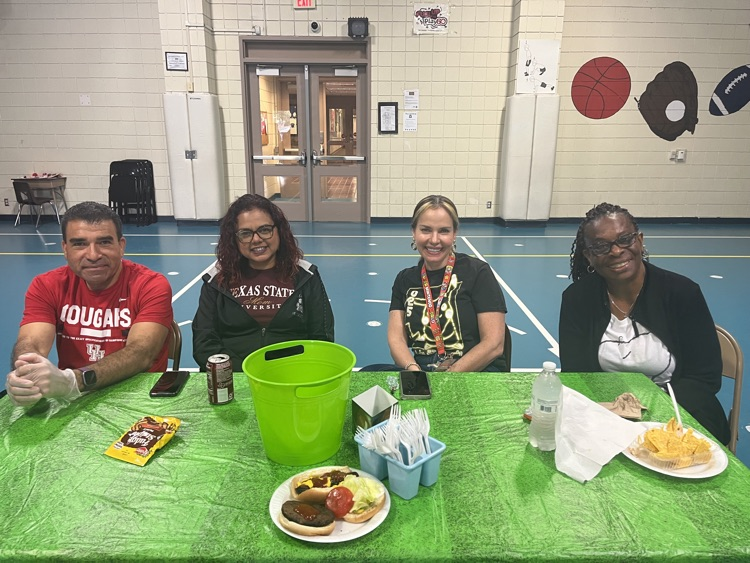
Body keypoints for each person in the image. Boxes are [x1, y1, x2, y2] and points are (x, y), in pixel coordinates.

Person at [559, 202, 730, 445]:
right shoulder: (577, 298)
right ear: (588, 255)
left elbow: (704, 378)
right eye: (600, 246)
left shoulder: (681, 293)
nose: (616, 251)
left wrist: (650, 413)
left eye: (625, 239)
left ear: (639, 240)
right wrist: (615, 413)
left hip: (680, 416)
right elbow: (577, 373)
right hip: (607, 415)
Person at [6, 201, 173, 406]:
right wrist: (25, 373)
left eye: (104, 242)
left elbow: (141, 353)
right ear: (65, 249)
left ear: (121, 246)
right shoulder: (47, 285)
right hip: (74, 401)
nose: (93, 255)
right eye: (79, 243)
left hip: (138, 397)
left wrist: (75, 380)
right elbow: (31, 343)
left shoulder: (150, 285)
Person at [192, 194, 334, 369]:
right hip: (234, 379)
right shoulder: (217, 279)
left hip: (293, 374)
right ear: (234, 239)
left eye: (265, 229)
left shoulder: (305, 275)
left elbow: (322, 337)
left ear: (279, 231)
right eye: (245, 233)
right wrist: (244, 373)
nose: (257, 239)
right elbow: (204, 343)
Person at [386, 195, 507, 372]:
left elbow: (494, 344)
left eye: (443, 231)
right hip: (423, 372)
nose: (434, 240)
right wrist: (414, 372)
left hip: (474, 371)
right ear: (414, 232)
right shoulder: (404, 279)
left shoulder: (477, 272)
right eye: (426, 230)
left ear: (454, 233)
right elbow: (396, 339)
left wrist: (448, 378)